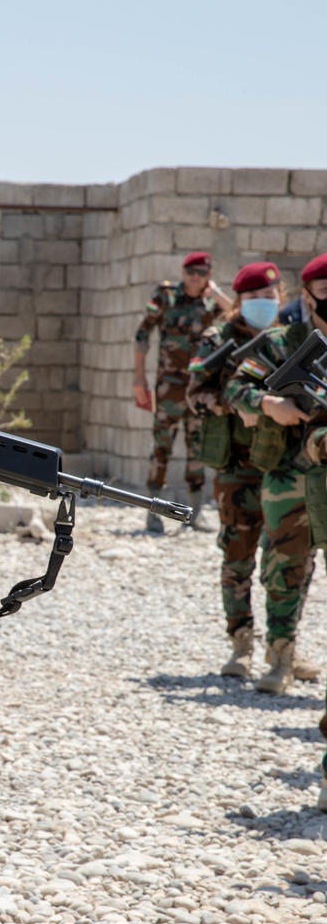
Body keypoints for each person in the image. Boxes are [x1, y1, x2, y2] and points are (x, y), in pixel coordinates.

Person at [224, 253, 327, 699]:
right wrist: (270, 405)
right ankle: (280, 655)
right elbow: (236, 387)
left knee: (303, 570)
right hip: (290, 475)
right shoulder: (283, 342)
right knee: (286, 566)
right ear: (307, 294)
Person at [187, 263, 282, 678]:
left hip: (285, 463)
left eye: (271, 296)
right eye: (255, 298)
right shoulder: (218, 339)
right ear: (239, 301)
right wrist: (237, 404)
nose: (264, 304)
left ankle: (283, 648)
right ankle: (241, 643)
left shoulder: (291, 339)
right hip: (238, 466)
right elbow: (195, 396)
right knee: (238, 555)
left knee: (288, 560)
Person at [135, 251, 231, 532]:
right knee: (161, 448)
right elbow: (142, 333)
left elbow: (238, 315)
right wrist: (138, 376)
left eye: (202, 273)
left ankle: (195, 513)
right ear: (183, 272)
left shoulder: (212, 302)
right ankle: (152, 512)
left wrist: (217, 293)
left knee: (198, 450)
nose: (195, 278)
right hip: (169, 388)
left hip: (200, 388)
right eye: (191, 272)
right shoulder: (166, 296)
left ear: (208, 277)